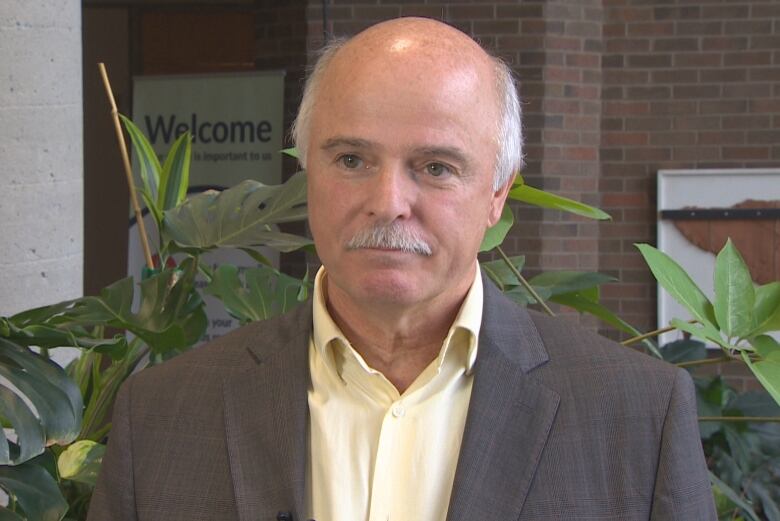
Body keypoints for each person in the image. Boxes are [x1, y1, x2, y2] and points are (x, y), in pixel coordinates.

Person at [88, 17, 716, 521]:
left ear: (497, 194)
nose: (387, 202)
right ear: (308, 170)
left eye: (436, 167)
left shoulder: (637, 416)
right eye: (352, 158)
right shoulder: (164, 413)